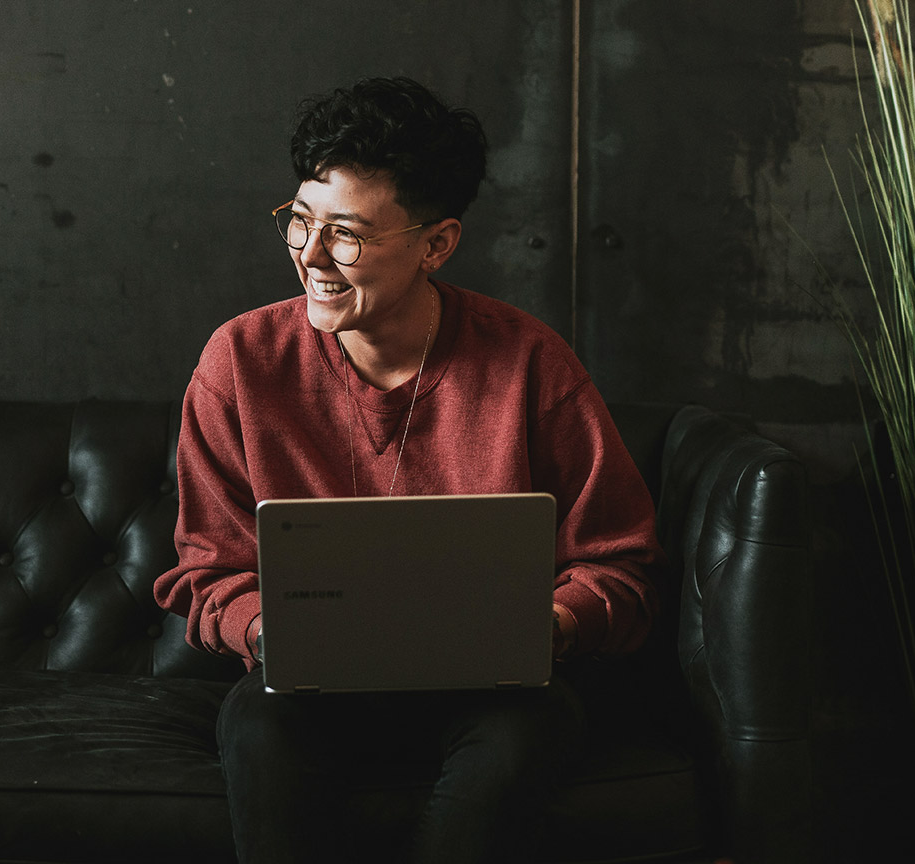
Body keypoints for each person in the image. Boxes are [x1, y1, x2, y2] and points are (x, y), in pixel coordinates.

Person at [153, 77, 661, 863]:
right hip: (308, 695)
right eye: (300, 221)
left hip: (495, 695)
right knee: (257, 726)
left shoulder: (529, 362)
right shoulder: (241, 362)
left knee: (529, 733)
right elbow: (206, 568)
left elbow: (618, 563)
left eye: (346, 234)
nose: (312, 256)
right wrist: (267, 629)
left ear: (437, 244)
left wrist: (550, 626)